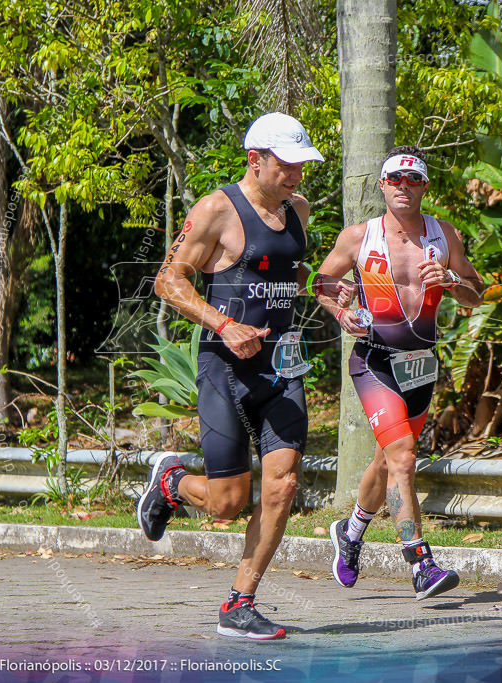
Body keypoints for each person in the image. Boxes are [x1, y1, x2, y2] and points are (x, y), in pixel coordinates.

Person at [136, 112, 350, 640]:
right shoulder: (216, 209)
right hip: (224, 367)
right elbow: (169, 279)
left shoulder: (296, 209)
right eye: (287, 164)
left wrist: (320, 287)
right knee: (229, 504)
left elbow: (282, 270)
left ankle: (239, 604)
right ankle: (171, 481)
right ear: (255, 160)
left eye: (302, 165)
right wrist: (225, 324)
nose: (297, 175)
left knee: (284, 484)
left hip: (283, 367)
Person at [315, 145, 485, 600]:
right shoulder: (358, 237)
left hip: (421, 366)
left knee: (386, 460)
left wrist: (452, 283)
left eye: (413, 180)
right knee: (404, 458)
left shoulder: (444, 236)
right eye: (395, 179)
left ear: (425, 186)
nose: (404, 187)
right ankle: (420, 562)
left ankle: (350, 533)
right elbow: (321, 283)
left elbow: (476, 293)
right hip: (374, 362)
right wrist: (340, 309)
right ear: (382, 185)